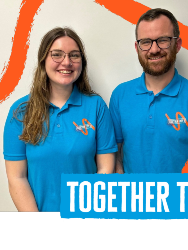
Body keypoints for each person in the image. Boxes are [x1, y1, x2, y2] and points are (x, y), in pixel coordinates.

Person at [3, 27, 118, 212]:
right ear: (43, 60)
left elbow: (105, 170)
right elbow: (17, 178)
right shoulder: (20, 111)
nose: (67, 62)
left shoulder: (96, 106)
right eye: (57, 54)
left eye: (74, 55)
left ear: (82, 62)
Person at [109, 8, 188, 174]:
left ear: (177, 45)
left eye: (163, 40)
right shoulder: (120, 95)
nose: (154, 50)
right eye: (146, 42)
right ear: (137, 47)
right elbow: (115, 155)